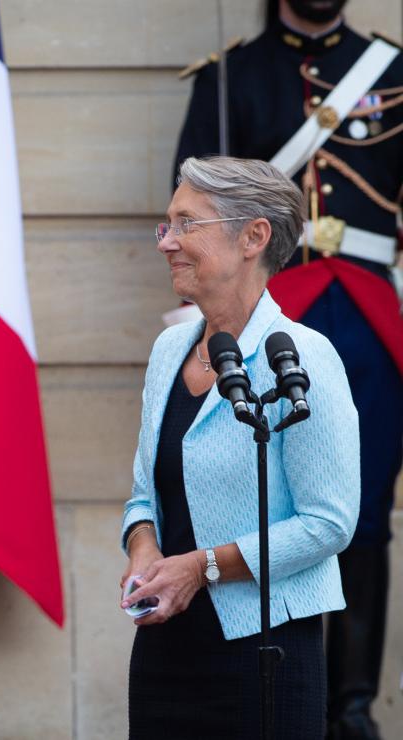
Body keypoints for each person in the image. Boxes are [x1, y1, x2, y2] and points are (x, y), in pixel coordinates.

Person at [175, 5, 403, 735]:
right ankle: (274, 704)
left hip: (371, 320)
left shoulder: (392, 70)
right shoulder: (229, 78)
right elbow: (189, 227)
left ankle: (353, 713)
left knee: (362, 517)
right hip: (265, 314)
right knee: (261, 510)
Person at [122, 156, 360, 739]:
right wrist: (143, 550)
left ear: (253, 236)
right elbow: (143, 496)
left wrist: (200, 569)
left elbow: (329, 522)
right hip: (164, 652)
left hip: (265, 656)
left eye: (186, 224)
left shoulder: (303, 356)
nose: (167, 243)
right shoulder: (168, 351)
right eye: (167, 224)